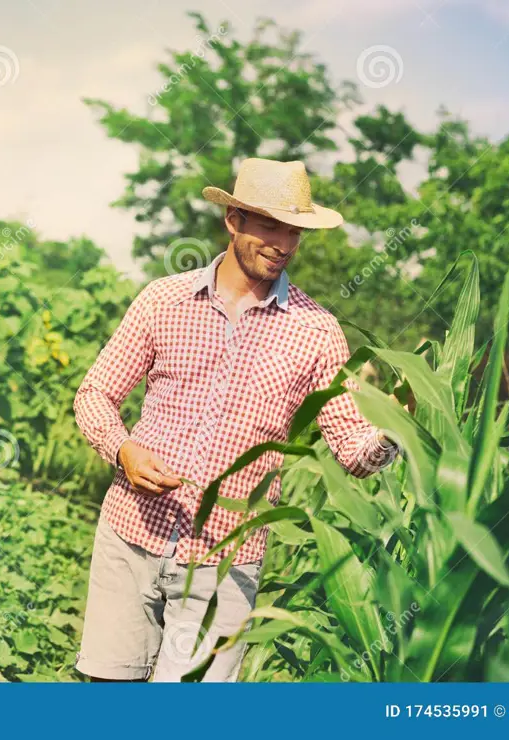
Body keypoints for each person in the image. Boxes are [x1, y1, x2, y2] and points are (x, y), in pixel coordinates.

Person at [72, 157, 399, 682]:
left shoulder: (316, 332)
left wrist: (393, 430)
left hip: (225, 563)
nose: (284, 243)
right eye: (271, 225)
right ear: (234, 221)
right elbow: (94, 394)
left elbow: (353, 449)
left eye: (294, 231)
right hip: (129, 536)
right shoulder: (165, 300)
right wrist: (123, 450)